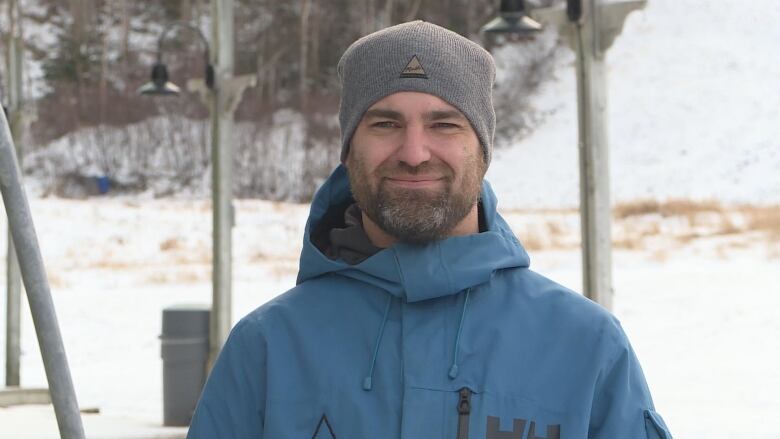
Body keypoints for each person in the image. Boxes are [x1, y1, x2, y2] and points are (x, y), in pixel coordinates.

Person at [188, 21, 672, 439]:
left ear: (482, 149)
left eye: (444, 125)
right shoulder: (269, 349)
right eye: (385, 123)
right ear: (348, 148)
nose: (415, 151)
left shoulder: (585, 347)